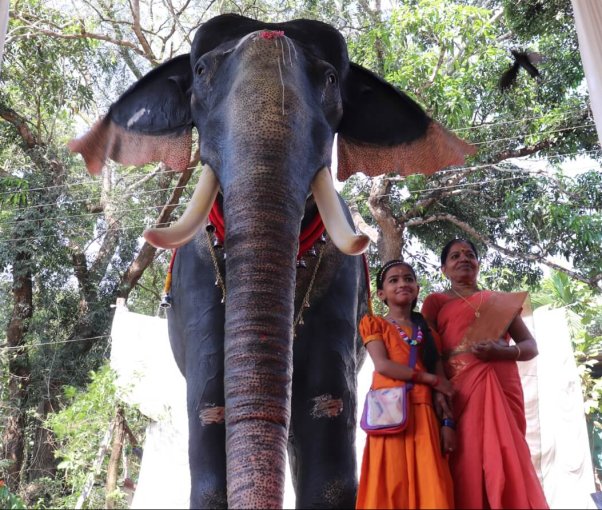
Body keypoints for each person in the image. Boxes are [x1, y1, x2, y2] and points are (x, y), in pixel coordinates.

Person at [421, 239, 549, 509]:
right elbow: (429, 350)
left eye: (469, 254)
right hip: (460, 390)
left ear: (479, 264)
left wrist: (503, 352)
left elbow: (530, 346)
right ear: (444, 269)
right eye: (455, 256)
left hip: (502, 383)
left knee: (505, 454)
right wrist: (438, 390)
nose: (463, 259)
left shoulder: (499, 302)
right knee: (466, 460)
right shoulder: (435, 302)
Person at [356, 260, 456, 510]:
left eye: (408, 278)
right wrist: (429, 379)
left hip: (424, 416)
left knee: (431, 488)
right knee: (391, 488)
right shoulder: (374, 324)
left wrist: (447, 424)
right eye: (394, 280)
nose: (402, 283)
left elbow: (442, 389)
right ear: (381, 294)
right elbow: (383, 365)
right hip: (389, 415)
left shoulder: (430, 333)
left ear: (417, 288)